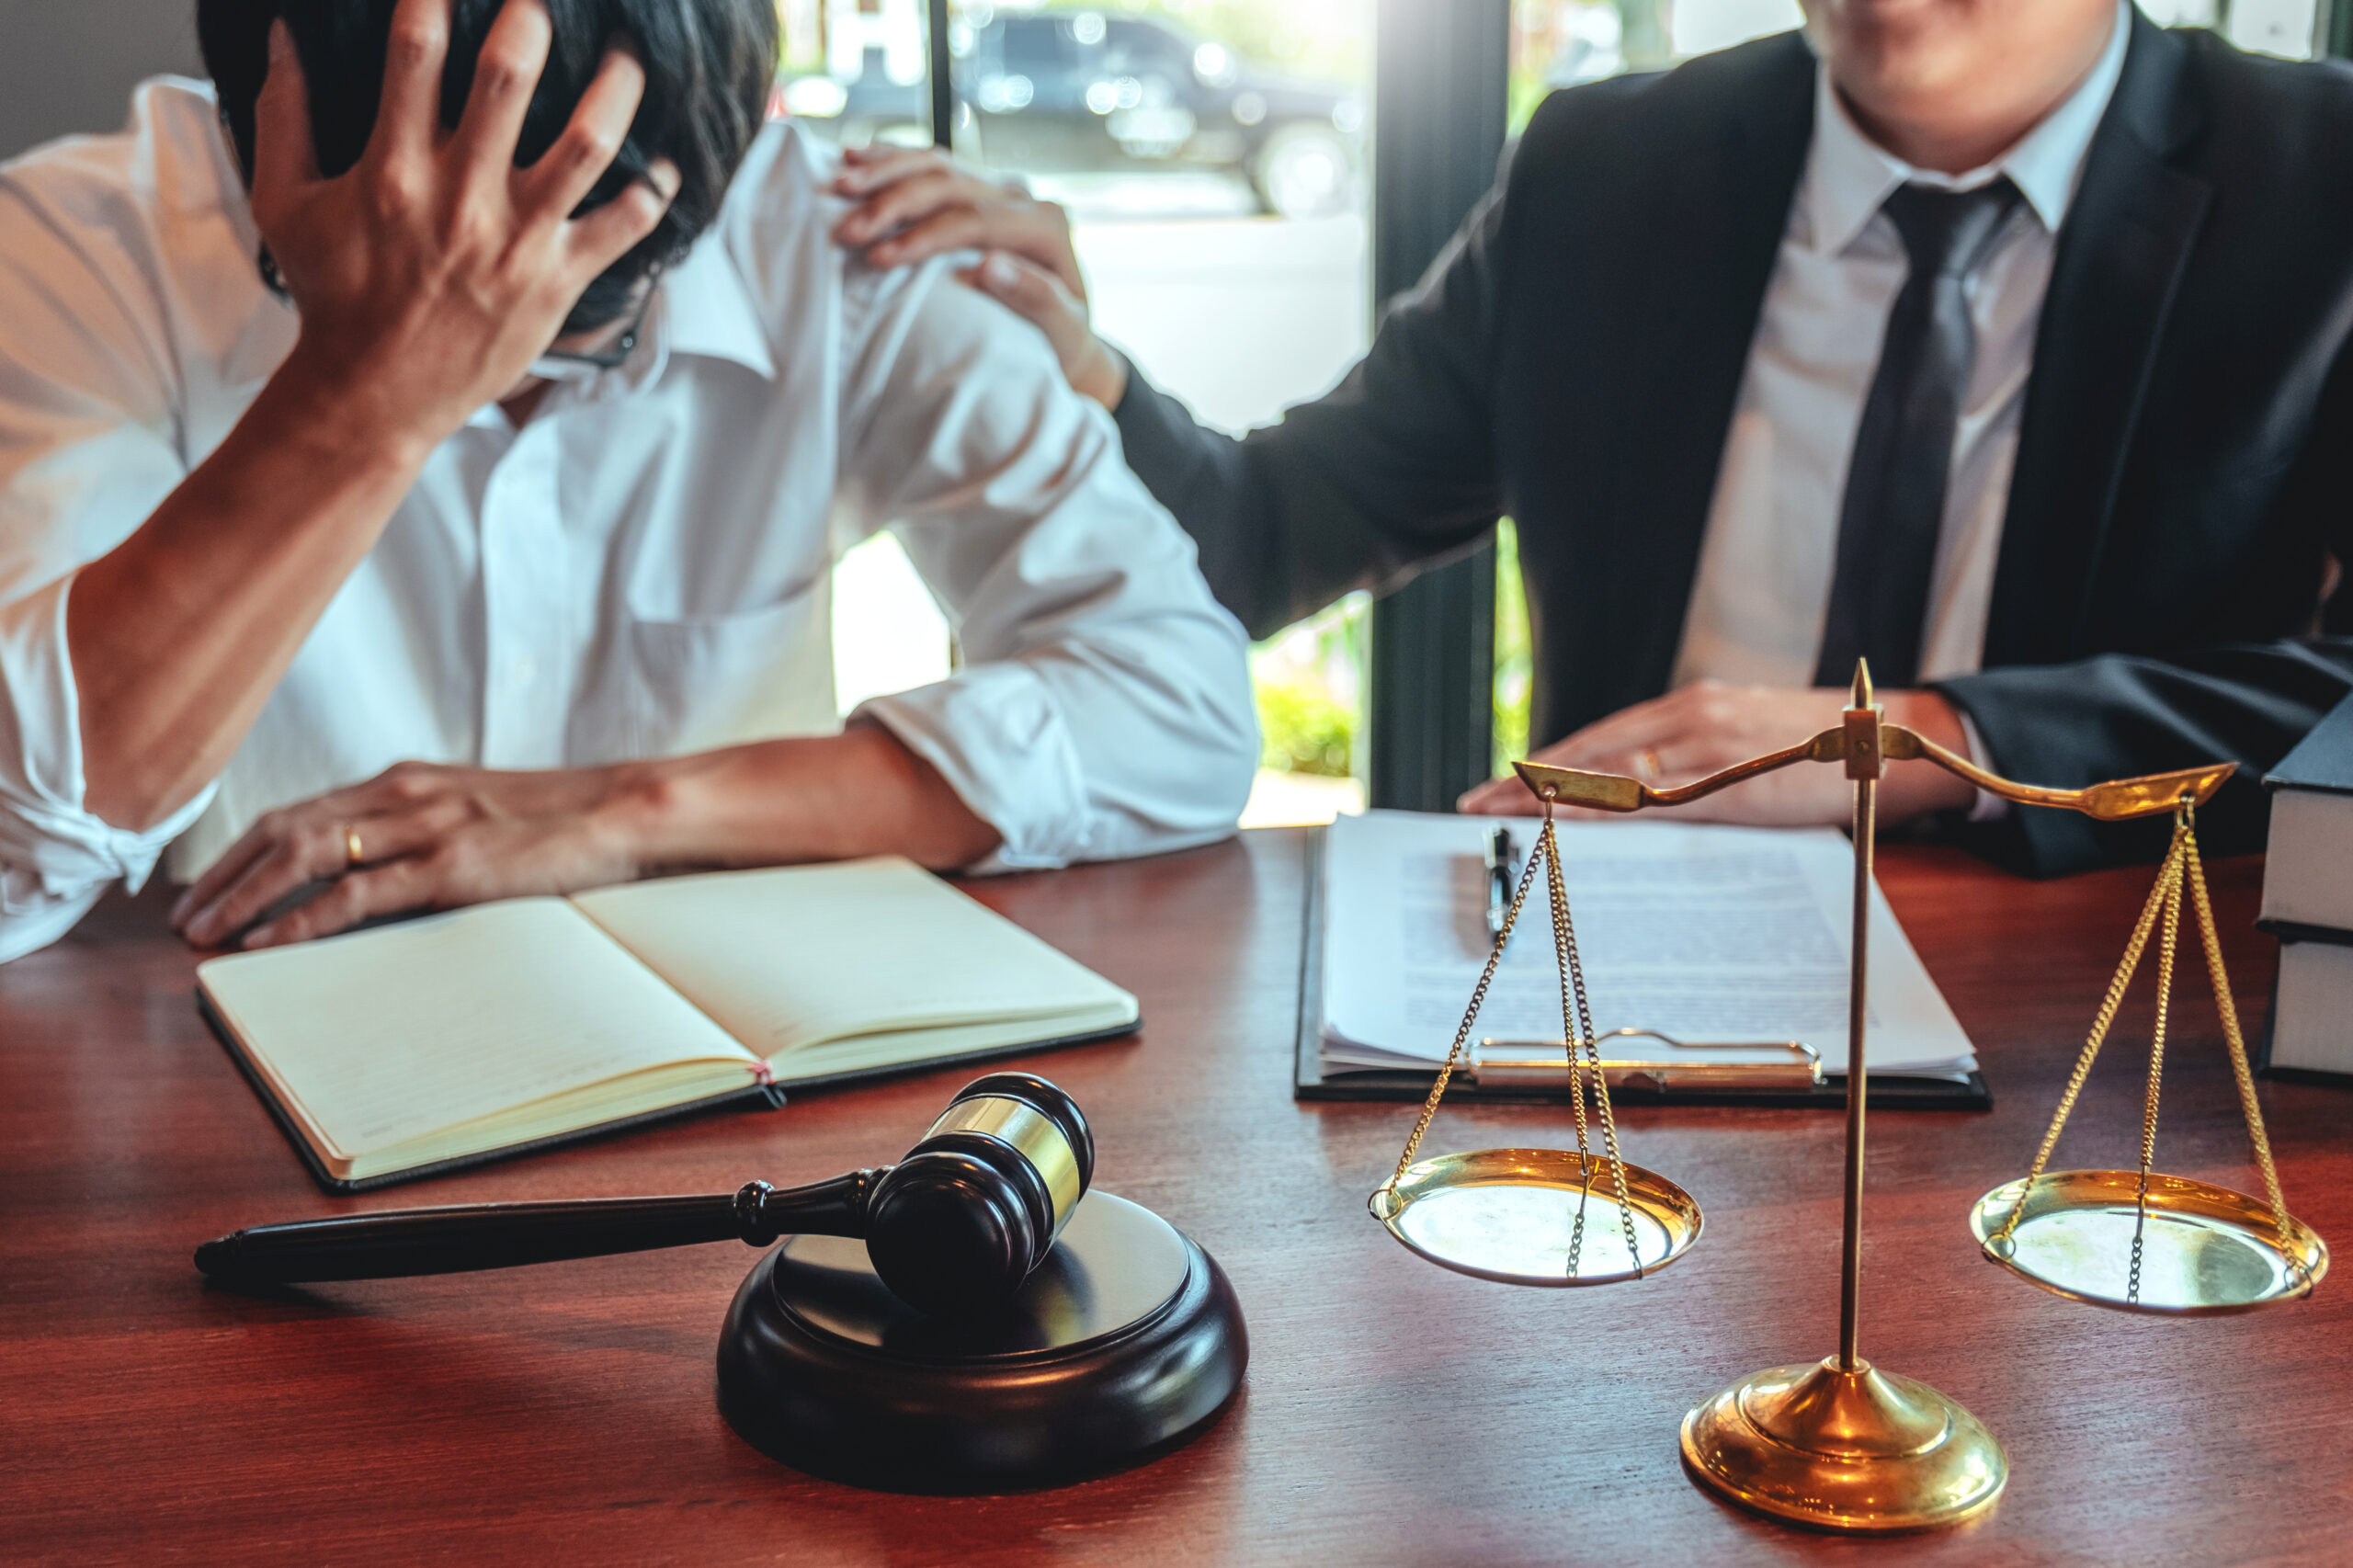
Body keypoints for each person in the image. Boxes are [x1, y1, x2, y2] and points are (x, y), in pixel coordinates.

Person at [833, 0, 2353, 874]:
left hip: (2104, 1034)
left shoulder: (2319, 181)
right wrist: (1082, 368)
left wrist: (1931, 743)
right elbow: (1259, 537)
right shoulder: (1609, 167)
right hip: (1622, 1003)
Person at [0, 0, 1258, 964]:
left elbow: (1181, 710)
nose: (495, 347)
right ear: (257, 128)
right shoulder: (76, 251)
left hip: (721, 1109)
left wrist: (617, 810)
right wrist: (366, 393)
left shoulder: (849, 247)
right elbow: (13, 863)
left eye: (583, 320)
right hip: (207, 1107)